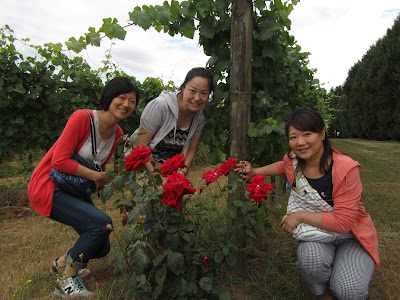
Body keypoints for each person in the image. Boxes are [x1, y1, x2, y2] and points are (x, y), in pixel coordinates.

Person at [236, 108, 379, 300]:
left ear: (322, 134)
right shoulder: (294, 161)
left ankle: (347, 269)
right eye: (293, 137)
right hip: (320, 233)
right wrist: (255, 172)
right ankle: (323, 293)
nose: (300, 142)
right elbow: (282, 166)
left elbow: (343, 223)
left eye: (307, 134)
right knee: (310, 259)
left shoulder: (346, 169)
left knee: (347, 291)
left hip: (350, 236)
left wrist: (299, 216)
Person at [28, 77, 140, 297]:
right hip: (50, 186)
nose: (126, 104)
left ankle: (61, 263)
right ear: (109, 98)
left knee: (103, 245)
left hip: (75, 189)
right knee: (101, 224)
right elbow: (59, 161)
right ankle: (66, 281)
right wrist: (98, 176)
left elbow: (97, 167)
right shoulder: (83, 118)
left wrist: (100, 179)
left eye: (132, 101)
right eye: (122, 97)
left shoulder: (117, 134)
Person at [131, 67, 214, 180]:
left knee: (182, 192)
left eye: (204, 93)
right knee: (154, 195)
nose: (197, 98)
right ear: (183, 88)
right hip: (144, 161)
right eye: (192, 91)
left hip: (169, 166)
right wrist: (156, 177)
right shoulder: (160, 106)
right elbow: (141, 145)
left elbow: (191, 149)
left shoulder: (199, 116)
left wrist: (182, 172)